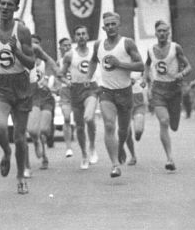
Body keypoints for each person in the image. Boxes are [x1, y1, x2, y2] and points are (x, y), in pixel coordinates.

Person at [0, 0, 35, 194]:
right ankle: (6, 152)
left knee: (21, 137)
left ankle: (21, 176)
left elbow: (31, 63)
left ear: (16, 8)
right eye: (2, 4)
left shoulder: (22, 31)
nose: (5, 7)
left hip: (21, 84)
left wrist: (17, 52)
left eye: (9, 4)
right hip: (0, 84)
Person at [86, 12, 144, 178]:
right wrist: (88, 77)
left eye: (113, 24)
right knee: (110, 125)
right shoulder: (98, 45)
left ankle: (120, 149)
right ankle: (115, 164)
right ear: (103, 27)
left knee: (123, 130)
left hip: (125, 92)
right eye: (107, 25)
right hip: (106, 92)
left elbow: (140, 66)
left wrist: (120, 64)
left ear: (118, 25)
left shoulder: (127, 43)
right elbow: (92, 61)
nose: (110, 27)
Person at [142, 20, 192, 170]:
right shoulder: (150, 49)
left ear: (168, 33)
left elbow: (189, 66)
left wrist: (181, 73)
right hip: (158, 90)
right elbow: (147, 64)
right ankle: (169, 158)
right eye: (159, 31)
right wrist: (145, 78)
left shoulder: (176, 48)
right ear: (155, 33)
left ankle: (173, 126)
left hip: (174, 90)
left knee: (174, 126)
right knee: (164, 121)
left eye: (165, 31)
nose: (162, 33)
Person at [59, 25, 99, 169]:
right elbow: (61, 74)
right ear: (75, 38)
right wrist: (66, 81)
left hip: (91, 88)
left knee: (89, 118)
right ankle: (84, 154)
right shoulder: (69, 55)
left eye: (83, 33)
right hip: (75, 90)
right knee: (80, 126)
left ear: (88, 36)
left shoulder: (94, 52)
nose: (81, 36)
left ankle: (93, 147)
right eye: (78, 34)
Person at [26, 34, 58, 174]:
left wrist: (51, 83)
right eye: (31, 43)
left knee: (44, 130)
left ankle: (44, 156)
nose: (34, 46)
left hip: (45, 97)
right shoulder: (24, 61)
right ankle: (37, 143)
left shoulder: (45, 62)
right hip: (32, 97)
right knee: (33, 130)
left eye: (37, 43)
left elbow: (55, 77)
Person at [54, 37, 74, 158]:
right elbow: (57, 78)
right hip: (65, 92)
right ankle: (68, 148)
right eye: (65, 45)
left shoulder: (75, 58)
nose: (67, 47)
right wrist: (58, 86)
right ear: (60, 48)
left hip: (77, 91)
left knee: (82, 121)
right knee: (66, 118)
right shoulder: (58, 62)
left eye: (69, 45)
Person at [124, 73, 147, 166]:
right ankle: (133, 155)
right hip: (124, 100)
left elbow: (146, 72)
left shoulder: (141, 61)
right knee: (126, 131)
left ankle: (139, 133)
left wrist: (144, 80)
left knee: (138, 130)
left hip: (138, 99)